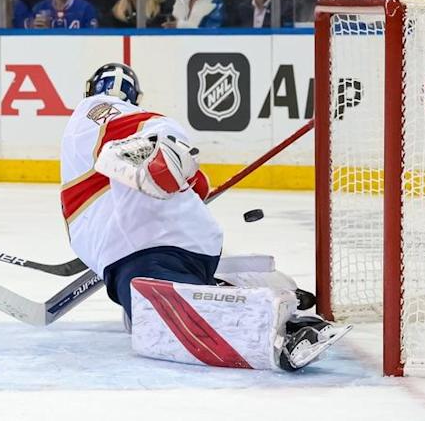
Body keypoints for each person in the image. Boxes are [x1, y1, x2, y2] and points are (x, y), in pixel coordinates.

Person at [60, 62, 349, 372]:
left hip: (145, 253)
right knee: (141, 318)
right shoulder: (105, 151)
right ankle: (265, 289)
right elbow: (192, 181)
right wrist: (183, 174)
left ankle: (284, 333)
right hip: (187, 249)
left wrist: (164, 153)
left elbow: (148, 133)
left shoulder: (92, 109)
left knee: (164, 325)